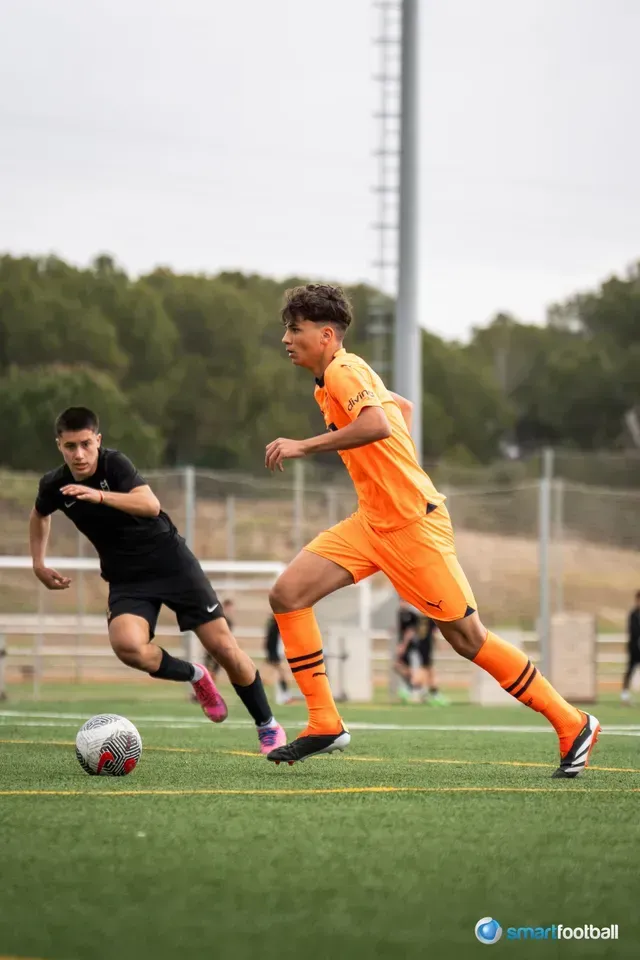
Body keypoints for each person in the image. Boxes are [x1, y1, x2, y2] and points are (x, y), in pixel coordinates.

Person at [263, 283, 599, 776]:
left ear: (327, 335)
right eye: (287, 330)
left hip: (413, 527)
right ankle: (324, 722)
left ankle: (574, 723)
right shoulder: (335, 376)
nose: (287, 338)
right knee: (288, 594)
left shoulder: (344, 369)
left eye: (295, 329)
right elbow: (401, 411)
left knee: (466, 638)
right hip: (372, 522)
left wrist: (303, 446)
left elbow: (379, 424)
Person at [29, 406, 286, 755]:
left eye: (86, 444)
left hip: (172, 564)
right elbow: (39, 513)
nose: (79, 454)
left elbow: (150, 505)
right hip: (127, 579)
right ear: (59, 445)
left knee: (224, 648)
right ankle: (196, 676)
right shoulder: (55, 484)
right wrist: (39, 563)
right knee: (128, 647)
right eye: (70, 446)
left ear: (98, 440)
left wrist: (100, 495)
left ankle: (267, 725)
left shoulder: (114, 465)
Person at [395, 601, 448, 705]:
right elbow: (433, 633)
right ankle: (411, 688)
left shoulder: (420, 617)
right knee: (426, 669)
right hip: (426, 645)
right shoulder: (428, 617)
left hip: (422, 644)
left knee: (428, 670)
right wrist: (440, 645)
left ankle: (431, 693)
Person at [264, 614, 292, 705]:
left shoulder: (275, 627)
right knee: (280, 674)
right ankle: (284, 696)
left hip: (275, 654)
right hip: (274, 655)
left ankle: (284, 696)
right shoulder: (274, 628)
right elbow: (270, 643)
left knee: (280, 674)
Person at [621, 591, 640, 704]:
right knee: (630, 670)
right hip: (634, 649)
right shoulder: (633, 614)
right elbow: (633, 631)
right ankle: (625, 695)